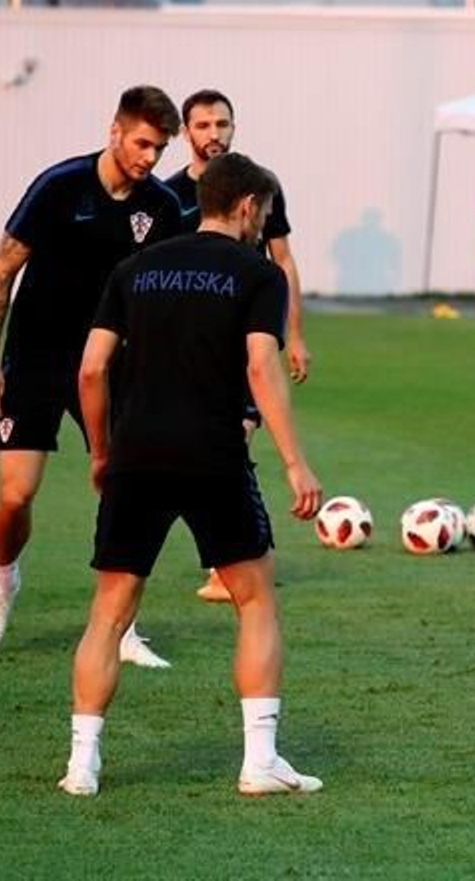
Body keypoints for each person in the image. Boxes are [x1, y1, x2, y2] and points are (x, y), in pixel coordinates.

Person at [60, 151, 324, 797]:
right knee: (255, 600)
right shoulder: (259, 274)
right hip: (213, 454)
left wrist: (101, 452)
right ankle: (259, 762)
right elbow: (261, 367)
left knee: (109, 613)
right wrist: (295, 463)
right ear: (246, 207)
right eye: (263, 212)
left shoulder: (135, 269)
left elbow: (91, 369)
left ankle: (82, 765)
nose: (263, 224)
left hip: (136, 455)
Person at [0, 85, 185, 668]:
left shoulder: (161, 207)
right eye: (142, 143)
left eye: (160, 149)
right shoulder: (59, 186)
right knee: (15, 495)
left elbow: (164, 295)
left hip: (111, 367)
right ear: (115, 131)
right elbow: (3, 271)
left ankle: (122, 626)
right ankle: (4, 581)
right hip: (35, 359)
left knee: (124, 495)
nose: (149, 158)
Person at [163, 89, 311, 603]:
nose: (214, 134)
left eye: (222, 124)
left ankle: (222, 566)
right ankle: (226, 557)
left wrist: (294, 334)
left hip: (247, 335)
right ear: (186, 132)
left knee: (237, 437)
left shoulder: (260, 186)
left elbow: (282, 259)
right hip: (193, 345)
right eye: (203, 125)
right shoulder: (168, 196)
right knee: (208, 448)